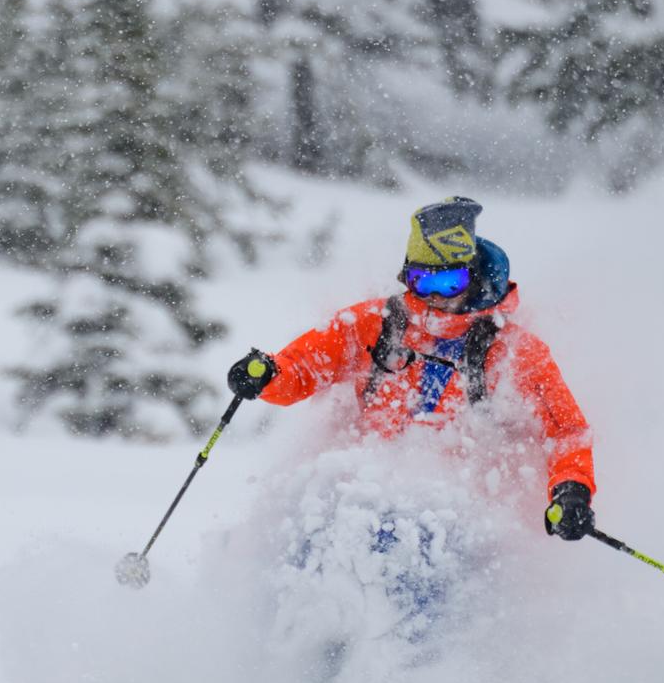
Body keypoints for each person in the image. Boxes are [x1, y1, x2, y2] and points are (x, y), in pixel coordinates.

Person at [226, 197, 596, 542]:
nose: (435, 296)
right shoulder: (371, 324)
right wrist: (268, 375)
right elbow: (303, 368)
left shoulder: (514, 353)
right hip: (365, 495)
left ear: (473, 276)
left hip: (461, 516)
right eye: (423, 281)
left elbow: (565, 431)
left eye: (450, 282)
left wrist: (571, 488)